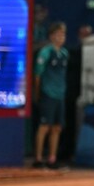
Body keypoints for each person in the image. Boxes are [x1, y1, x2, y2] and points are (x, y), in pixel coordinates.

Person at [34, 22, 69, 169]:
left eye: (63, 35)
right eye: (58, 34)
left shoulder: (65, 53)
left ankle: (52, 159)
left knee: (57, 128)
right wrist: (37, 93)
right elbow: (37, 75)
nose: (61, 37)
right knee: (44, 127)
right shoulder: (45, 52)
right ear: (51, 36)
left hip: (60, 95)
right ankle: (38, 159)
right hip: (47, 94)